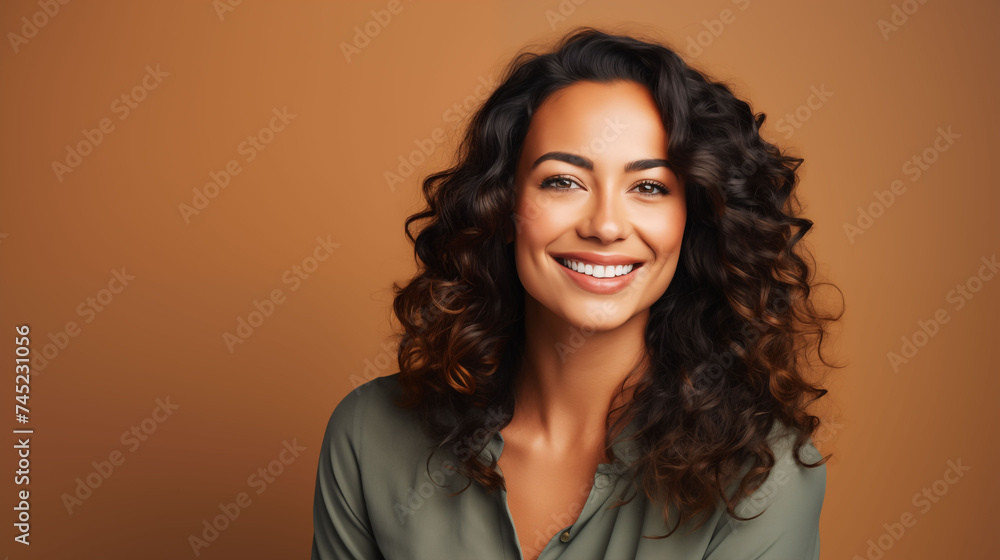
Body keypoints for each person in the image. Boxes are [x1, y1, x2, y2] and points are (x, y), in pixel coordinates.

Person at [311, 26, 843, 560]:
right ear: (502, 207)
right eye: (563, 181)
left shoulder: (762, 478)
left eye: (649, 187)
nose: (606, 226)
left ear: (695, 219)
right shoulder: (369, 434)